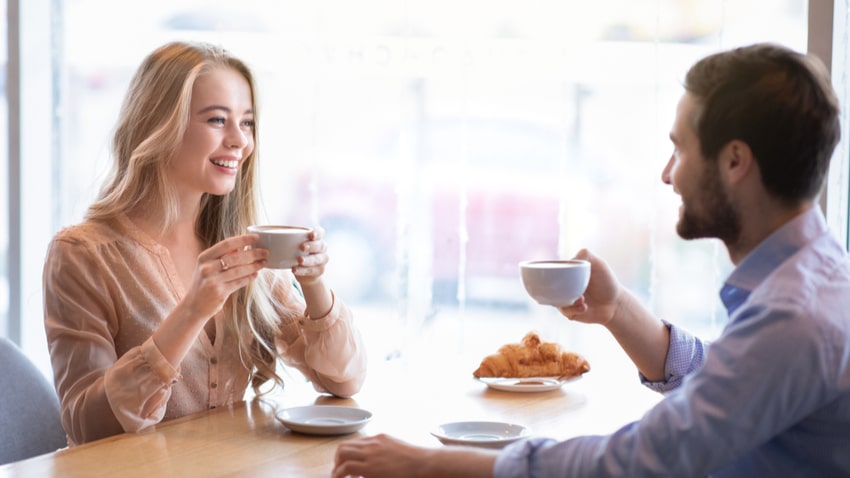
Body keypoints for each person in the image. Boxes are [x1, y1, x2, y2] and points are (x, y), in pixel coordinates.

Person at [332, 42, 850, 477]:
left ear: (735, 161)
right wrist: (618, 309)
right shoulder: (813, 279)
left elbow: (640, 461)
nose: (668, 174)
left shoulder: (793, 316)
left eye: (681, 149)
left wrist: (426, 464)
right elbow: (728, 380)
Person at [43, 41, 367, 446]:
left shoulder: (243, 250)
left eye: (246, 123)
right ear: (159, 124)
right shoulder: (82, 255)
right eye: (217, 120)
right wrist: (193, 309)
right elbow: (86, 426)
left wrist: (315, 283)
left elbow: (343, 381)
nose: (240, 141)